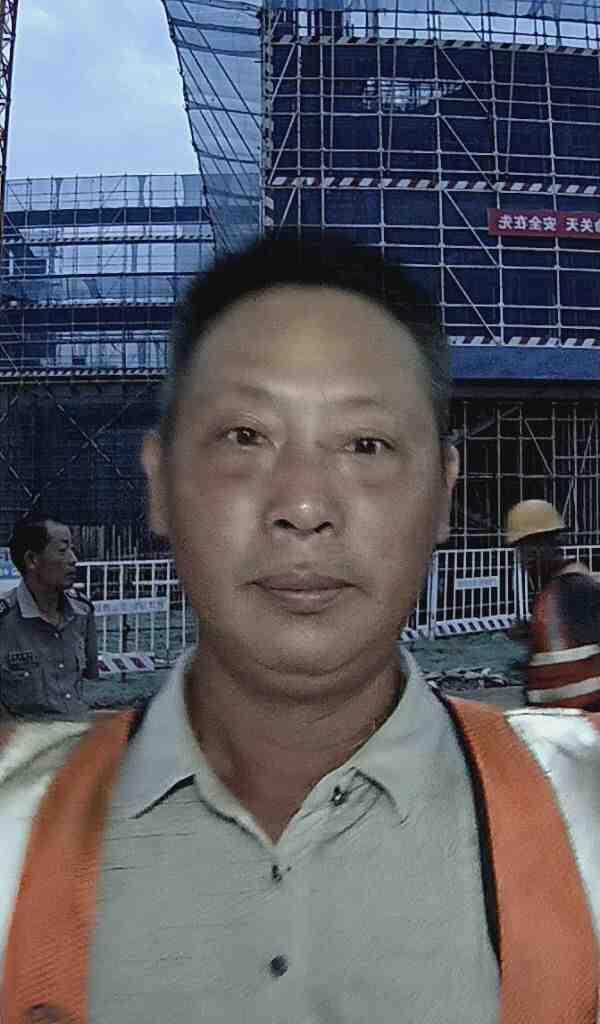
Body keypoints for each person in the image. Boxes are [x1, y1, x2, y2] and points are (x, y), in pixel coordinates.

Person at [0, 237, 599, 1024]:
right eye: (245, 437)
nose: (305, 504)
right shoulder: (16, 834)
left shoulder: (581, 817)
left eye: (366, 444)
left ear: (443, 494)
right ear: (161, 484)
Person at [0, 513, 98, 717]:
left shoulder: (82, 612)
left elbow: (88, 678)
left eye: (72, 549)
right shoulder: (5, 619)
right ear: (32, 559)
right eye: (62, 551)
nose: (73, 560)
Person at [507, 498, 600, 710]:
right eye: (523, 548)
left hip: (587, 717)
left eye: (536, 544)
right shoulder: (549, 594)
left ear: (556, 543)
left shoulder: (577, 587)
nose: (528, 556)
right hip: (558, 719)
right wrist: (532, 637)